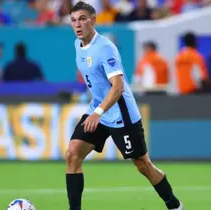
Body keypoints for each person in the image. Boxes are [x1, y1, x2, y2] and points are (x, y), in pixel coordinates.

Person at [66, 2, 183, 210]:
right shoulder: (77, 45)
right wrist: (97, 110)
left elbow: (118, 87)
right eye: (74, 20)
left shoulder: (105, 48)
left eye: (82, 19)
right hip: (98, 109)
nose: (78, 24)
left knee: (143, 165)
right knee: (73, 152)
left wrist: (98, 113)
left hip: (121, 114)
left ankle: (174, 204)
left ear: (93, 21)